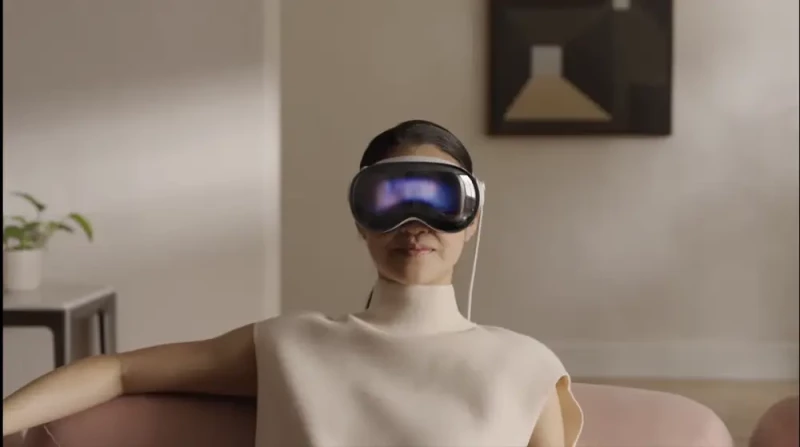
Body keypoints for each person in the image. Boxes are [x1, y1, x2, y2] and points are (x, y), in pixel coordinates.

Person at [2, 120, 584, 447]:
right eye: (390, 198)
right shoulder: (290, 345)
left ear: (472, 217)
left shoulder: (526, 366)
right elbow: (119, 370)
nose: (413, 224)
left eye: (438, 198)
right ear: (360, 219)